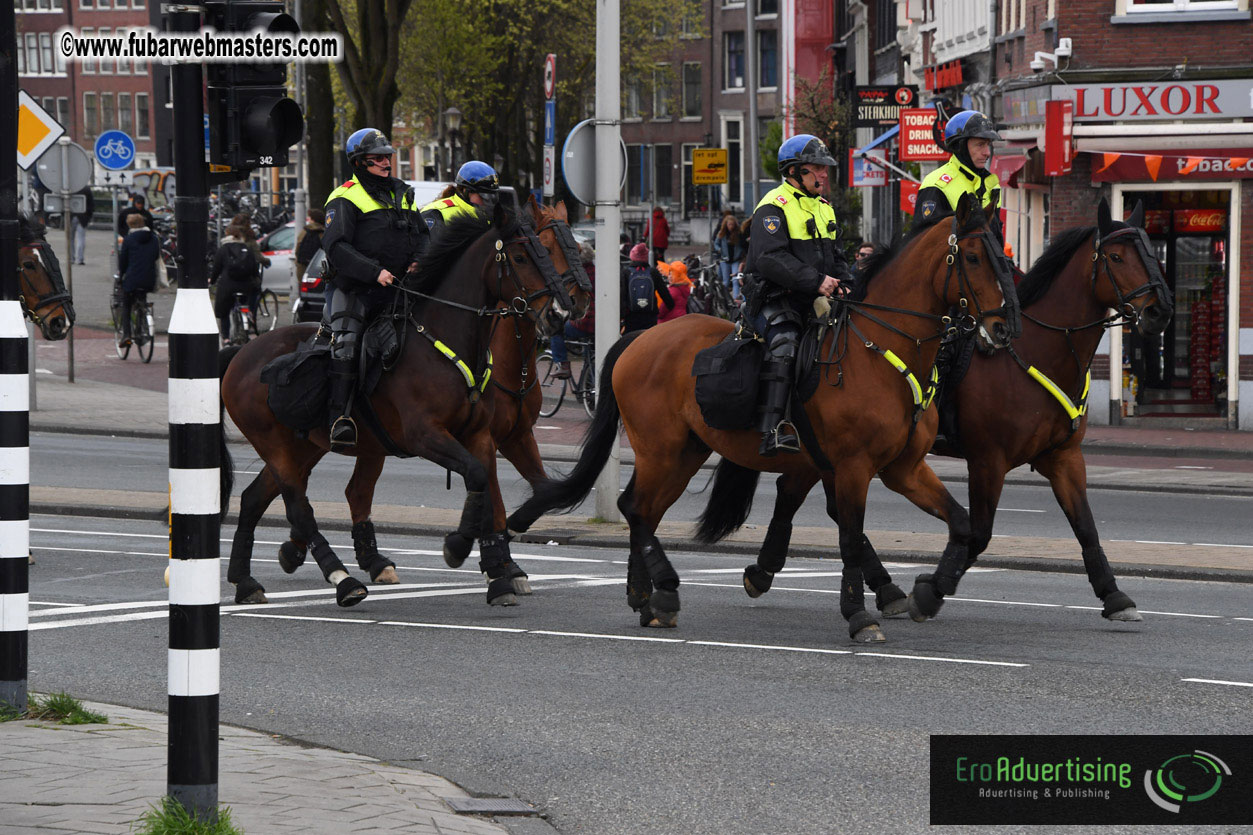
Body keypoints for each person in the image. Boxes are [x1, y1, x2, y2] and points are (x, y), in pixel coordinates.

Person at [742, 133, 851, 457]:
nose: (823, 174)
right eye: (816, 168)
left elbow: (838, 256)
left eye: (824, 168)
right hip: (775, 297)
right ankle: (774, 428)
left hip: (813, 296)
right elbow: (770, 258)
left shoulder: (824, 209)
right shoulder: (773, 206)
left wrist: (846, 282)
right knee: (785, 341)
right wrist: (817, 281)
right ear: (793, 172)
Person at [322, 127, 427, 450]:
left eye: (388, 157)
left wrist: (421, 259)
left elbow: (424, 235)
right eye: (378, 158)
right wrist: (374, 271)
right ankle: (340, 419)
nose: (386, 162)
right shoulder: (345, 196)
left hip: (400, 290)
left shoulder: (403, 193)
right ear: (359, 162)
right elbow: (336, 246)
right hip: (357, 289)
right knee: (348, 344)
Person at [914, 109, 1002, 229]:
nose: (987, 152)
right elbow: (926, 242)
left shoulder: (993, 187)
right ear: (960, 146)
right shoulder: (936, 184)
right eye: (980, 145)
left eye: (988, 145)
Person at [549, 243, 596, 379]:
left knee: (556, 331)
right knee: (590, 351)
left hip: (585, 323)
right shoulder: (598, 271)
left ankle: (563, 365)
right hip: (601, 323)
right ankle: (586, 380)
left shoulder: (577, 276)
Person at [209, 224, 262, 344]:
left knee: (224, 312)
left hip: (228, 285)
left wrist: (211, 280)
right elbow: (254, 268)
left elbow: (217, 268)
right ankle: (246, 326)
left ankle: (226, 338)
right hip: (245, 285)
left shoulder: (224, 249)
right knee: (245, 305)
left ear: (227, 235)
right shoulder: (246, 248)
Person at [115, 212, 160, 346]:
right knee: (142, 298)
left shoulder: (129, 239)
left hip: (133, 279)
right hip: (149, 278)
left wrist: (121, 275)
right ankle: (141, 330)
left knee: (126, 303)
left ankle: (127, 335)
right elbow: (156, 255)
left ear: (131, 225)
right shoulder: (153, 238)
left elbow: (123, 261)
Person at [421, 160, 499, 232]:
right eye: (482, 196)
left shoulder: (492, 217)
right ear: (465, 190)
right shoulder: (436, 212)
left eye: (491, 197)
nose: (487, 202)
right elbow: (426, 245)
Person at [621, 242, 673, 333]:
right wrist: (669, 307)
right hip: (650, 316)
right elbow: (666, 295)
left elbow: (622, 295)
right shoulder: (653, 272)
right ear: (646, 257)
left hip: (632, 316)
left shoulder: (626, 272)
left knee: (632, 342)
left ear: (632, 256)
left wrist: (622, 315)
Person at [714, 210, 745, 303]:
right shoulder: (722, 233)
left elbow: (742, 244)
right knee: (726, 282)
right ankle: (725, 301)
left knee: (735, 280)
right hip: (725, 260)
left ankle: (735, 300)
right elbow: (716, 243)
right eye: (729, 224)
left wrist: (741, 252)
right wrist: (719, 250)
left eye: (732, 224)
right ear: (726, 225)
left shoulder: (738, 233)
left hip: (735, 259)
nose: (731, 226)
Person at [294, 207, 325, 282]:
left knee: (303, 288)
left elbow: (298, 246)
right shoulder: (323, 232)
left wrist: (297, 261)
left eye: (309, 218)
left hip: (303, 264)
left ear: (313, 219)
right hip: (319, 266)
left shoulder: (305, 231)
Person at [657, 260, 691, 324]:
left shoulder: (672, 291)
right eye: (669, 273)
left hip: (668, 322)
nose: (669, 276)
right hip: (681, 320)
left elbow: (661, 312)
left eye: (671, 274)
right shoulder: (685, 288)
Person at [70, 187, 94, 265]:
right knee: (81, 238)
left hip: (70, 215)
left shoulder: (70, 187)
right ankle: (80, 259)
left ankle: (71, 258)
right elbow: (91, 204)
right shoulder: (86, 189)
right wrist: (89, 216)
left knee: (70, 239)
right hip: (83, 216)